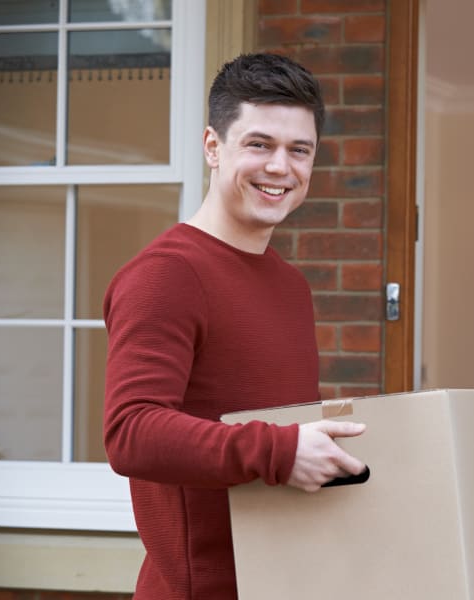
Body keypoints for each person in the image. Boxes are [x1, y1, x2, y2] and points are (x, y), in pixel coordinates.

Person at [103, 53, 368, 599]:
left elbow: (274, 427)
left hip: (286, 581)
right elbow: (131, 431)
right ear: (212, 147)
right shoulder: (166, 275)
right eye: (259, 144)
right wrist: (280, 452)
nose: (280, 167)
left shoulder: (291, 286)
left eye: (300, 150)